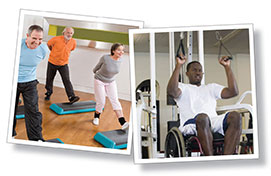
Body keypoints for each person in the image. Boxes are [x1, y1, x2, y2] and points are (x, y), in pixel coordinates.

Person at [167, 55, 242, 155]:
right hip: (192, 123)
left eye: (200, 70)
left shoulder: (211, 88)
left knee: (235, 116)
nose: (198, 72)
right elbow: (171, 92)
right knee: (203, 118)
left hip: (212, 121)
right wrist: (179, 65)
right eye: (194, 70)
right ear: (187, 73)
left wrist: (227, 67)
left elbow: (233, 91)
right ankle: (210, 161)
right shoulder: (183, 87)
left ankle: (226, 159)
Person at [13, 25, 49, 141]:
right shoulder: (17, 45)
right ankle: (9, 132)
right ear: (27, 36)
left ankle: (36, 139)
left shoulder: (43, 50)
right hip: (13, 81)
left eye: (40, 39)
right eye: (34, 38)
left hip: (30, 82)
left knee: (33, 111)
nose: (37, 42)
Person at [92, 43, 129, 130]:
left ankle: (122, 122)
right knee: (101, 101)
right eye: (119, 50)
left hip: (111, 81)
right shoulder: (105, 58)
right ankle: (96, 117)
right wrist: (99, 75)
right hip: (99, 80)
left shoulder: (120, 60)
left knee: (115, 100)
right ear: (113, 51)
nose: (121, 52)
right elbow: (95, 69)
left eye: (122, 50)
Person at [44, 27, 79, 103]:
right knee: (49, 79)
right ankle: (48, 93)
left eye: (71, 33)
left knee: (66, 80)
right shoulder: (56, 39)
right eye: (68, 32)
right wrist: (52, 51)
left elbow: (72, 49)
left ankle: (71, 97)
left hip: (63, 64)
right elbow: (48, 44)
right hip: (52, 62)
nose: (69, 34)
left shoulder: (73, 42)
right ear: (63, 33)